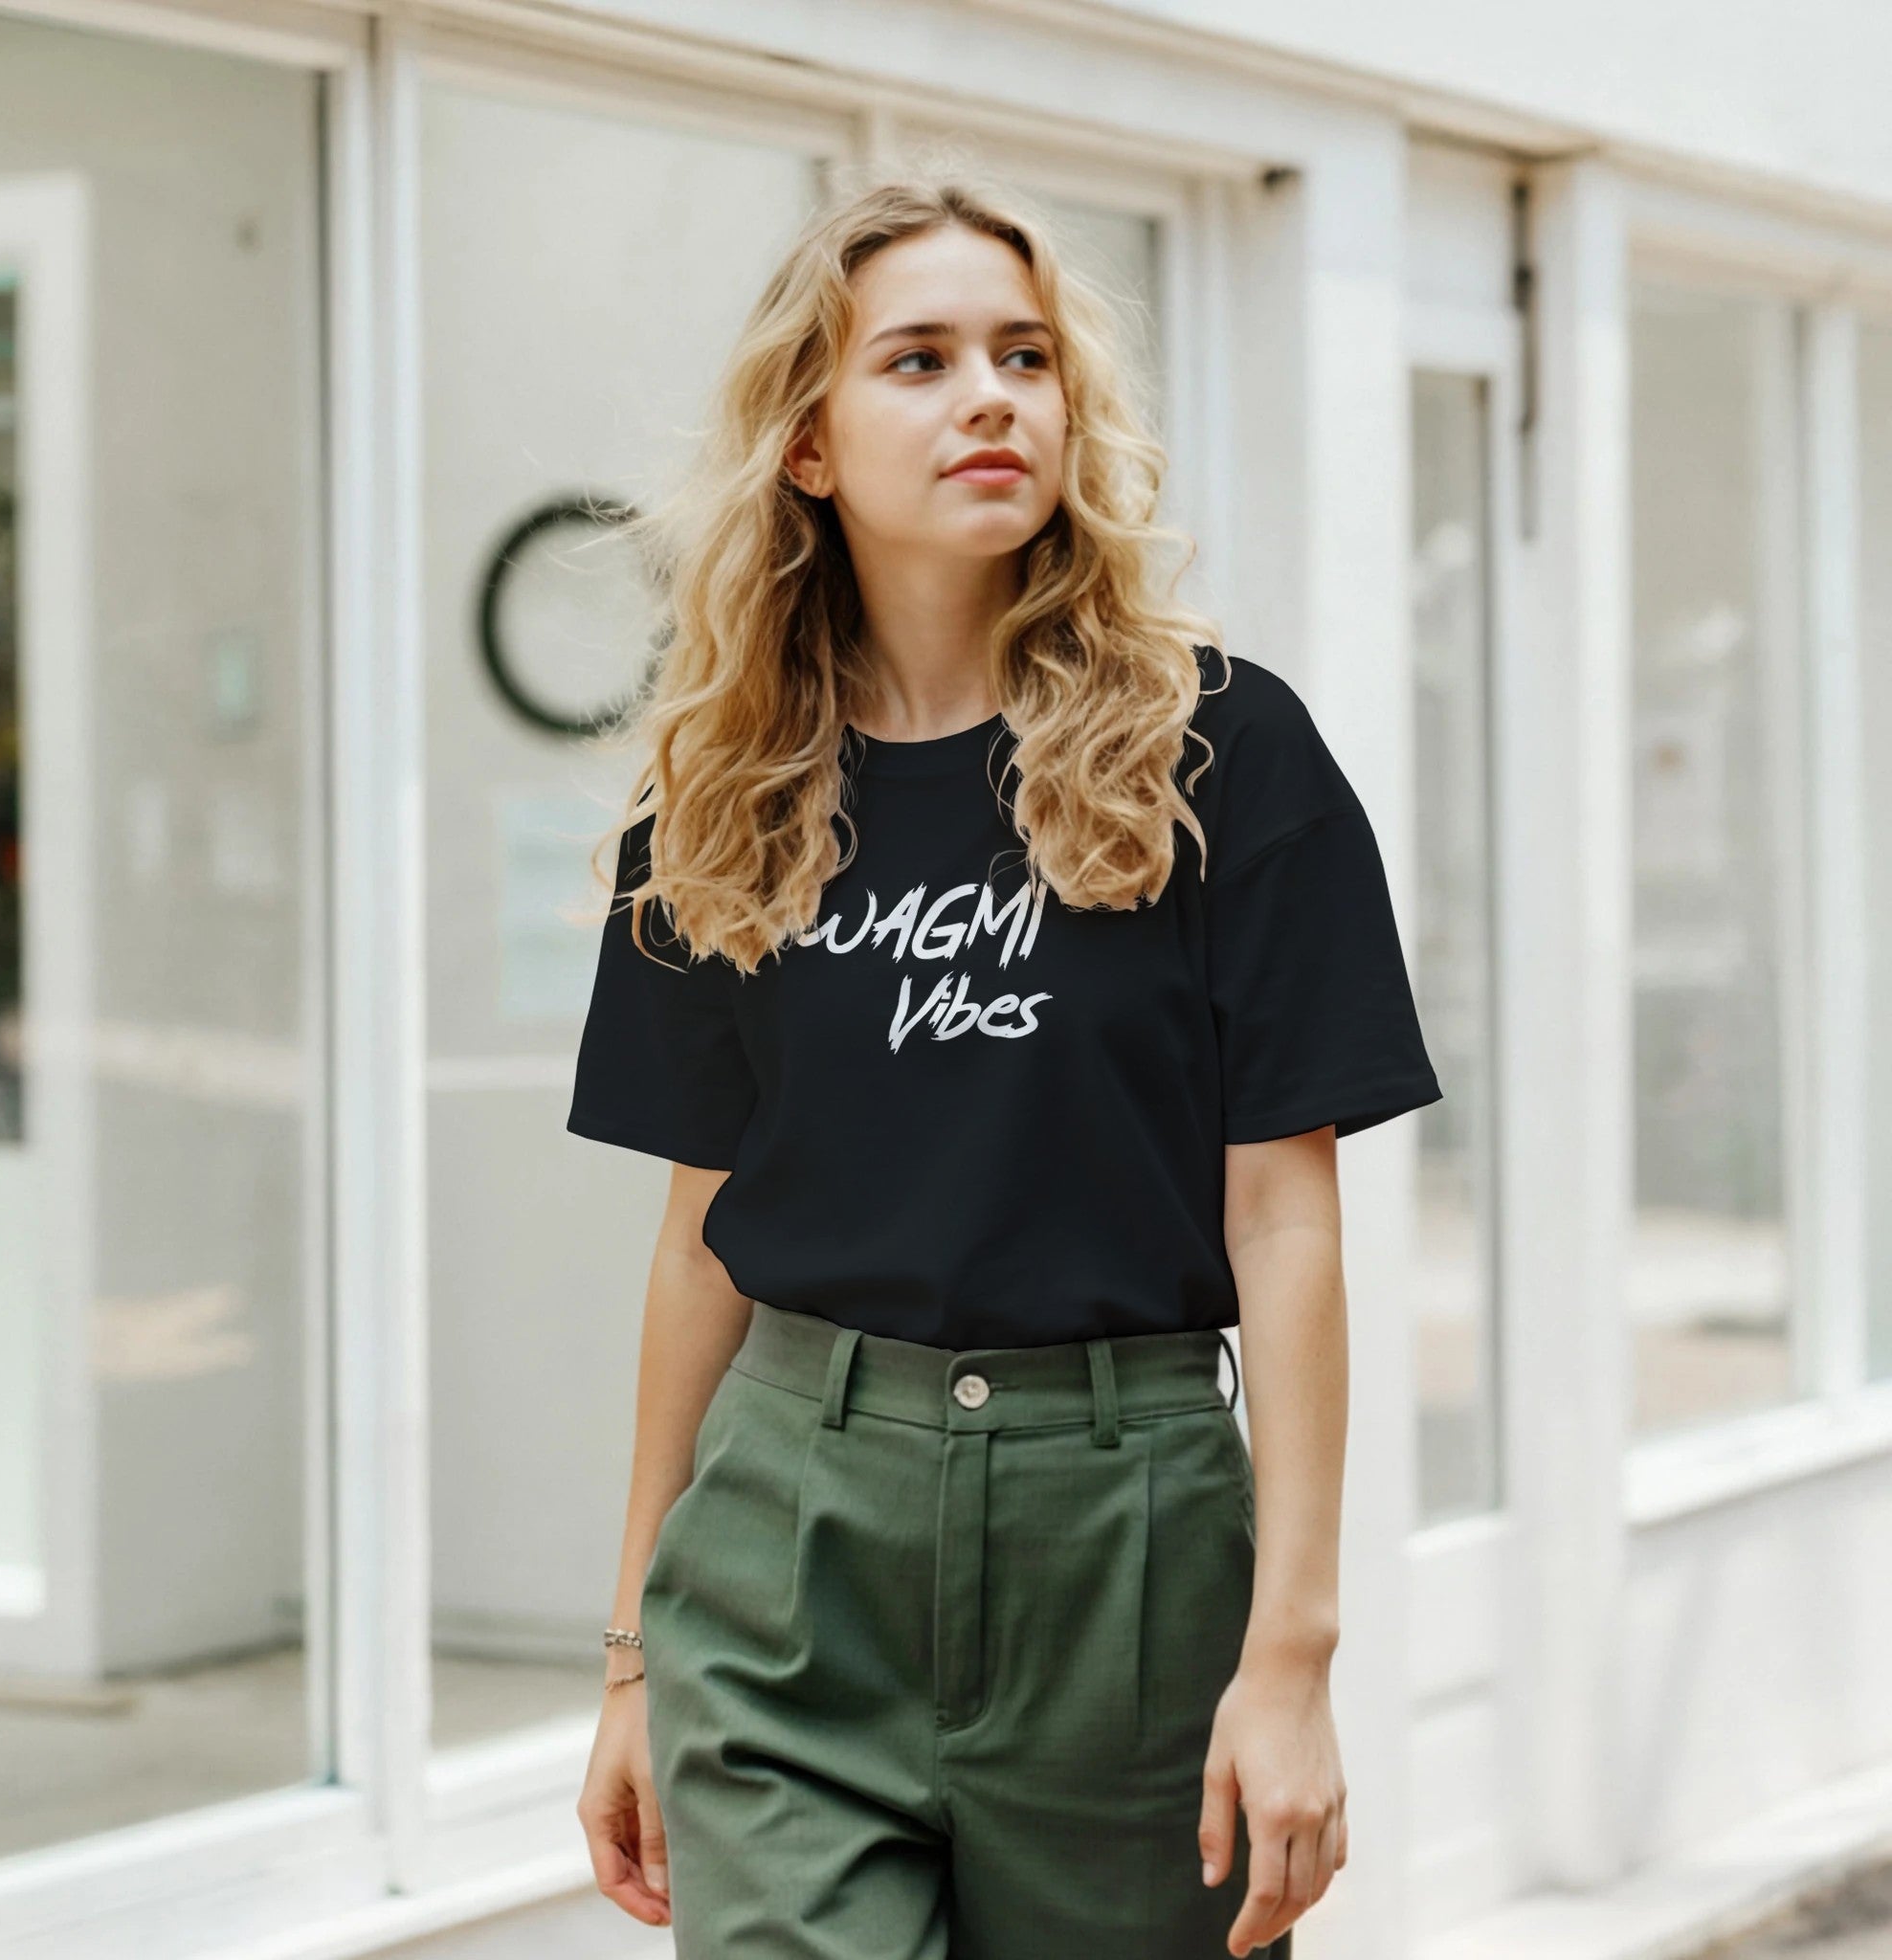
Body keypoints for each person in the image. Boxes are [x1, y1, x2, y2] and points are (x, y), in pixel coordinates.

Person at [566, 164, 1441, 1959]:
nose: (990, 397)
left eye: (1026, 355)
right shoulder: (721, 798)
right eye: (920, 361)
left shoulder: (1226, 754)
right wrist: (634, 1659)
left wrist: (1291, 1658)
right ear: (806, 443)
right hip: (792, 1548)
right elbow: (698, 1243)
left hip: (1123, 1544)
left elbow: (1286, 1230)